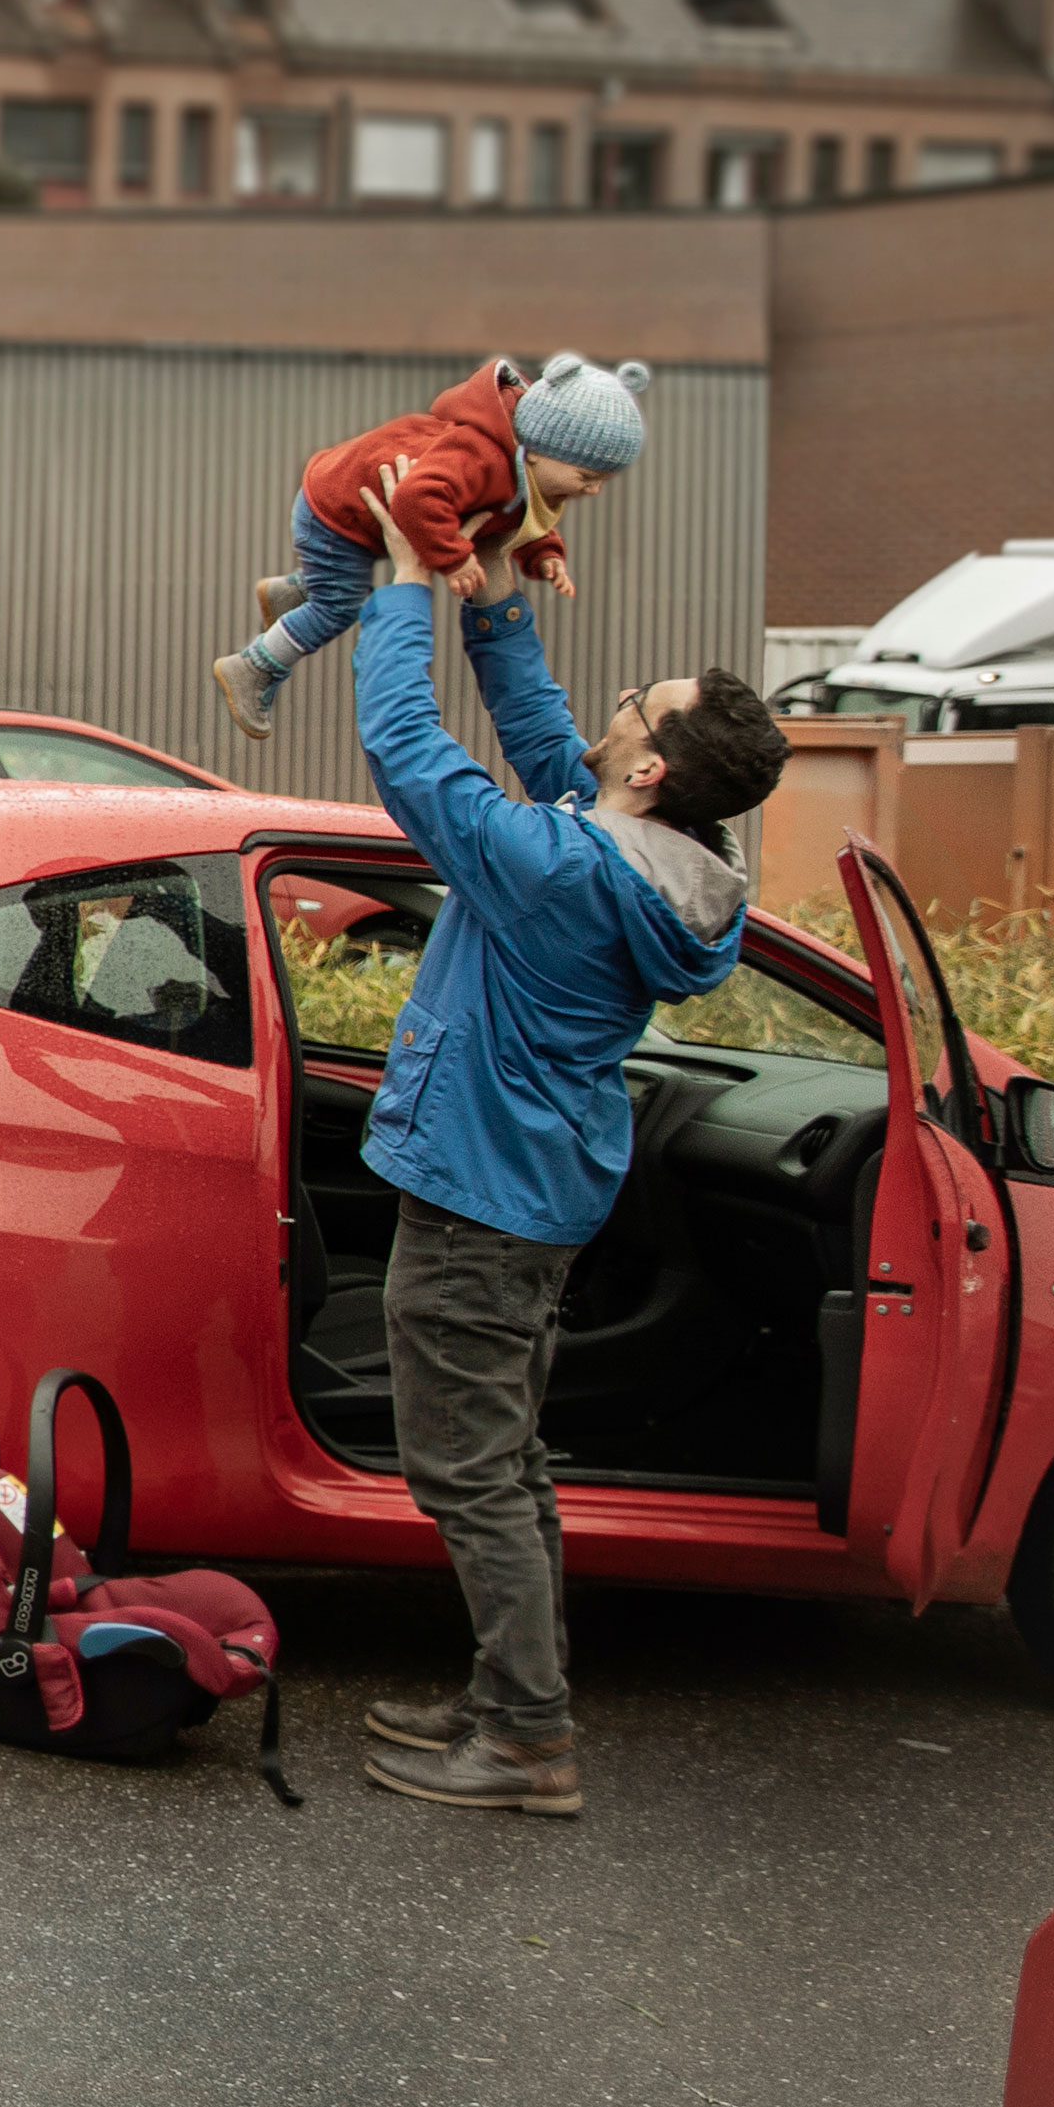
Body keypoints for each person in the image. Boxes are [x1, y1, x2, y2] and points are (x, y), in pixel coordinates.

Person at [342, 478, 790, 1815]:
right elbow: (556, 754)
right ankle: (506, 1702)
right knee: (510, 1459)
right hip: (536, 1189)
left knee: (466, 1468)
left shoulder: (559, 870)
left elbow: (404, 752)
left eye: (632, 711)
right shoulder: (652, 861)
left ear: (649, 768)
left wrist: (399, 587)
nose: (611, 715)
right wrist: (493, 620)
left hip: (482, 1197)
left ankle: (528, 1736)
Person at [215, 351, 648, 740]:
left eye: (602, 482)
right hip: (336, 509)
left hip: (346, 504)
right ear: (540, 448)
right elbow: (416, 497)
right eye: (587, 477)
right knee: (339, 606)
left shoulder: (520, 470)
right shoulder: (481, 458)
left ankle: (291, 592)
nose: (592, 491)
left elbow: (516, 516)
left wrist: (543, 554)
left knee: (337, 585)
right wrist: (454, 559)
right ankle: (253, 665)